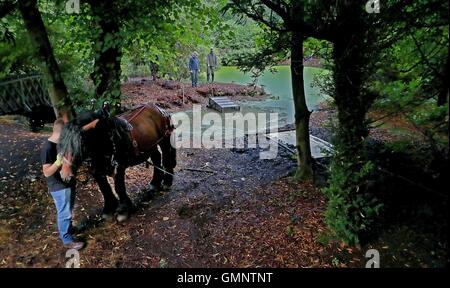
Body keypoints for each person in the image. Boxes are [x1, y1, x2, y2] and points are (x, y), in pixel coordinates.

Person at [41, 118, 85, 250]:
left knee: (69, 209)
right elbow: (46, 172)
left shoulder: (61, 144)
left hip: (67, 182)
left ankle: (69, 228)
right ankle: (67, 240)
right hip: (58, 186)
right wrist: (58, 162)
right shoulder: (47, 148)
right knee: (64, 212)